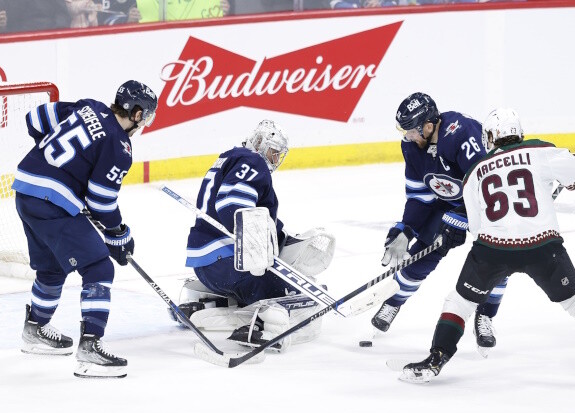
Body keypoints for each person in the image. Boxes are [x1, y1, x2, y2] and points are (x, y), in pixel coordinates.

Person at [399, 108, 575, 383]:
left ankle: (436, 359)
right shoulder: (540, 151)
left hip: (493, 249)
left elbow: (477, 227)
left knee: (459, 303)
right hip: (543, 246)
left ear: (490, 137)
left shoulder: (475, 172)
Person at [12, 80, 158, 378]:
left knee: (52, 268)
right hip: (52, 201)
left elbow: (35, 119)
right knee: (100, 269)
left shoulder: (89, 106)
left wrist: (54, 164)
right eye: (148, 115)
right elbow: (102, 201)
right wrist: (118, 232)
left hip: (26, 189)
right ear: (138, 114)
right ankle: (90, 349)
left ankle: (35, 329)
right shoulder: (120, 146)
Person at [177, 119, 335, 352]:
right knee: (305, 294)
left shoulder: (230, 157)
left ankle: (207, 307)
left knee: (253, 290)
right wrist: (260, 250)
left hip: (207, 267)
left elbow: (251, 215)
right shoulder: (252, 161)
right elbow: (233, 205)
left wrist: (280, 236)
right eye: (273, 152)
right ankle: (265, 326)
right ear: (260, 143)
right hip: (233, 265)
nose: (274, 160)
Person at [371, 92, 508, 355]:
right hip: (448, 200)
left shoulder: (461, 133)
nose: (407, 137)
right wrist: (406, 228)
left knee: (497, 254)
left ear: (429, 125)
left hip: (488, 200)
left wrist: (460, 218)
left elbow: (484, 187)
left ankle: (486, 315)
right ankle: (394, 301)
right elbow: (419, 195)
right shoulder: (411, 146)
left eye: (411, 130)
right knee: (424, 249)